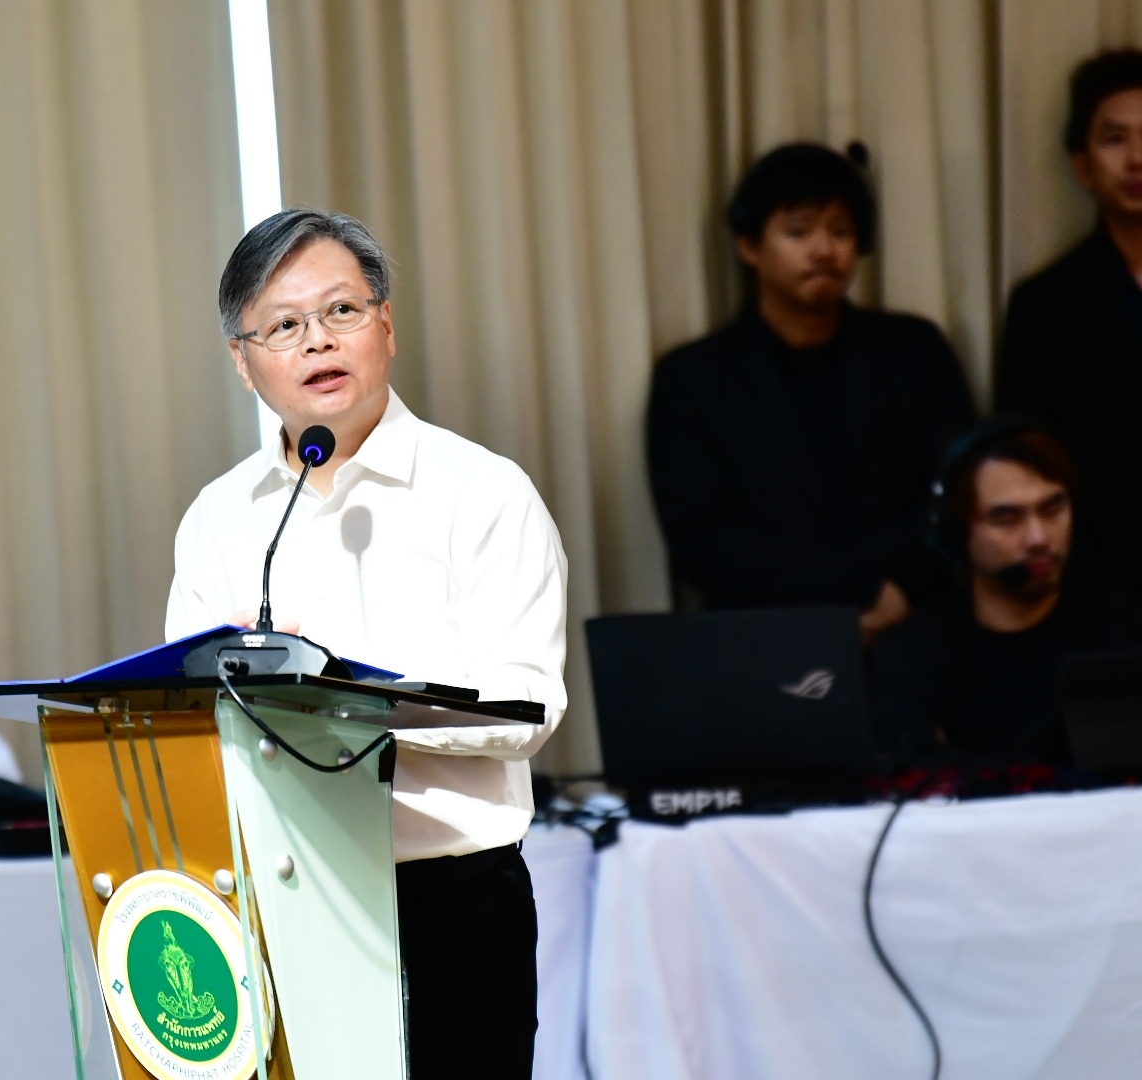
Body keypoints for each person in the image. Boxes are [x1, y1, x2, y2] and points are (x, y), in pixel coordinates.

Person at [166, 209, 567, 1077]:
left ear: (386, 324)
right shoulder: (219, 518)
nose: (317, 340)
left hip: (450, 902)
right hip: (276, 898)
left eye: (341, 311)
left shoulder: (484, 494)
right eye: (283, 326)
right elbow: (188, 717)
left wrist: (343, 696)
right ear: (242, 361)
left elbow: (526, 708)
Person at [648, 143, 975, 637]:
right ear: (749, 246)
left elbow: (961, 492)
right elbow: (701, 540)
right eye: (798, 231)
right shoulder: (693, 378)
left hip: (913, 623)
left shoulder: (914, 350)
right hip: (766, 637)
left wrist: (899, 593)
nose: (824, 250)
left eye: (841, 231)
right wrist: (860, 586)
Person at [871, 419, 1141, 767]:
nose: (1038, 538)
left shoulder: (1117, 636)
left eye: (1052, 509)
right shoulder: (913, 654)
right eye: (1007, 519)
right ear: (957, 533)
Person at [997, 49, 1142, 611]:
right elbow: (1029, 470)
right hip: (1101, 601)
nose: (1136, 159)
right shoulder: (1044, 308)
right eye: (1115, 140)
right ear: (1082, 165)